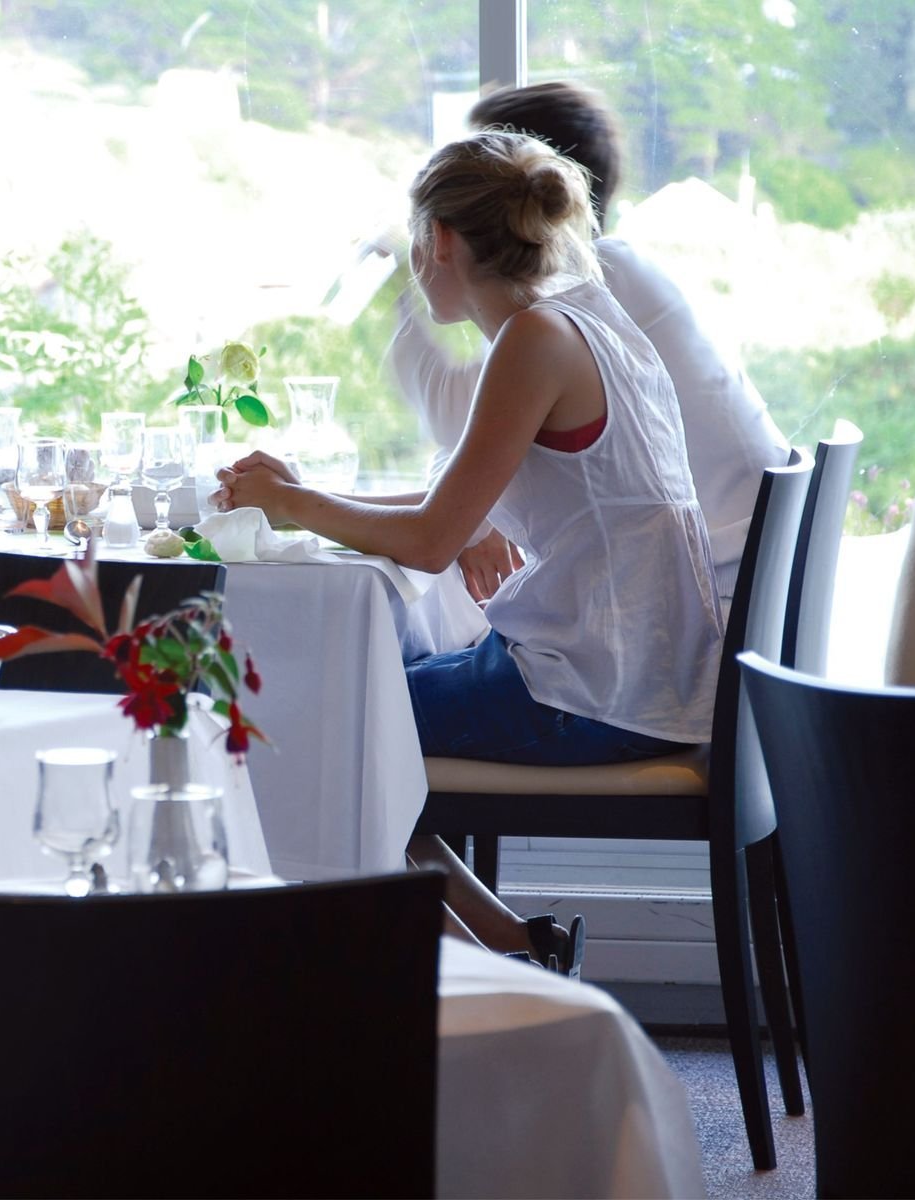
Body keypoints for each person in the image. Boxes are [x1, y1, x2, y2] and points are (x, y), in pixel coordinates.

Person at [213, 130, 724, 967]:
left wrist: (294, 504)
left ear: (440, 241)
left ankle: (477, 975)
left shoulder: (533, 340)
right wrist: (302, 499)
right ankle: (519, 949)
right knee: (346, 716)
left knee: (312, 732)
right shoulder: (586, 317)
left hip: (593, 691)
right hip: (641, 673)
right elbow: (452, 503)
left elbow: (431, 540)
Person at [389, 81, 787, 607]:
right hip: (725, 569)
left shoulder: (583, 289)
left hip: (710, 585)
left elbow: (465, 426)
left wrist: (397, 306)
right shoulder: (591, 285)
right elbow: (482, 445)